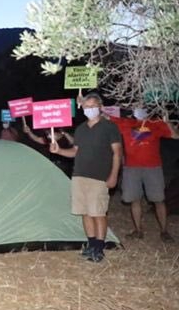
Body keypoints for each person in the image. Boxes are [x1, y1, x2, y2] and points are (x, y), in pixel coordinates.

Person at [49, 92, 122, 263]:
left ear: (100, 107)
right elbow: (75, 151)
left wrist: (113, 175)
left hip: (99, 177)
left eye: (93, 106)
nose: (90, 109)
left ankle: (99, 248)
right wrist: (59, 151)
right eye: (87, 106)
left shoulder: (109, 127)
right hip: (79, 176)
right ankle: (91, 244)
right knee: (85, 212)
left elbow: (117, 153)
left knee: (98, 213)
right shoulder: (81, 129)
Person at [108, 107, 179, 242]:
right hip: (131, 168)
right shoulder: (125, 123)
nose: (138, 109)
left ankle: (164, 231)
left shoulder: (156, 124)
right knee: (134, 199)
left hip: (153, 168)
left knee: (159, 200)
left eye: (141, 106)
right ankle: (138, 230)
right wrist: (83, 103)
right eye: (136, 106)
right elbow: (103, 115)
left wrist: (167, 122)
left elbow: (175, 135)